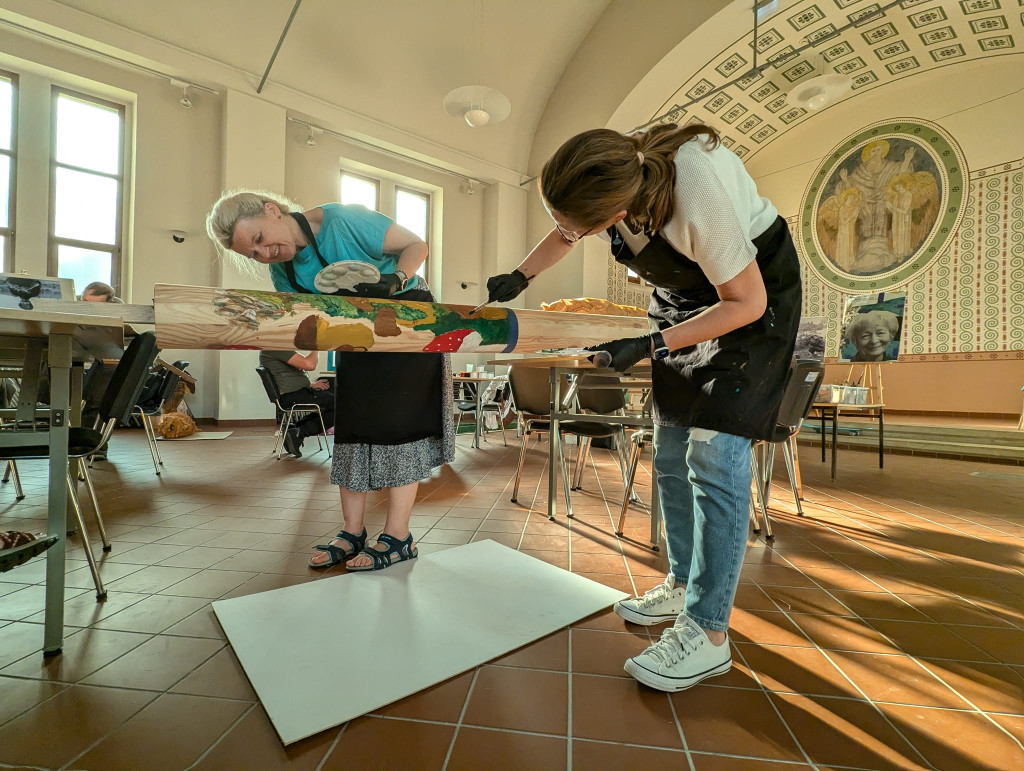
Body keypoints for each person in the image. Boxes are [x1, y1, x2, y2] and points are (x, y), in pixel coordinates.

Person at [485, 123, 801, 692]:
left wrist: (649, 344)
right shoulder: (613, 167)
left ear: (618, 207)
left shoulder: (694, 194)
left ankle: (707, 633)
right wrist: (522, 273)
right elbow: (567, 231)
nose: (568, 234)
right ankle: (682, 582)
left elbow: (746, 301)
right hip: (685, 302)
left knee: (713, 457)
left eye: (580, 225)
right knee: (672, 451)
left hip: (752, 303)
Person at [207, 190, 455, 571]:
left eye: (259, 239)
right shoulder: (283, 272)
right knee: (352, 424)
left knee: (400, 424)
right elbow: (310, 322)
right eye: (253, 254)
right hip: (353, 333)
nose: (265, 254)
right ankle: (352, 531)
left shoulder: (342, 220)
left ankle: (399, 537)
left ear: (271, 211)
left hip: (409, 318)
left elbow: (416, 245)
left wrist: (394, 278)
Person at [259, 349, 335, 457]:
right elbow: (310, 364)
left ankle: (294, 431)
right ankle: (299, 432)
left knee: (333, 402)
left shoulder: (273, 350)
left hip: (294, 393)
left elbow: (286, 375)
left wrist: (312, 385)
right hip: (293, 396)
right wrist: (316, 347)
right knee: (340, 405)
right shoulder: (276, 349)